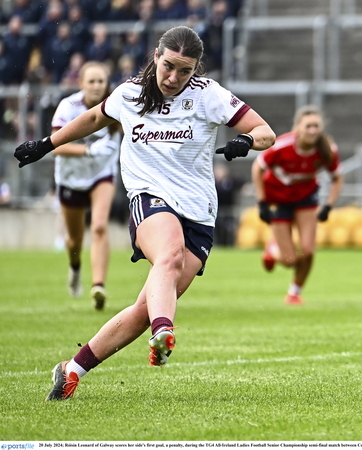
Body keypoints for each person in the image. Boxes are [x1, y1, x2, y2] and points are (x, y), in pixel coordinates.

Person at [14, 25, 275, 401]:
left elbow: (266, 131)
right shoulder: (129, 93)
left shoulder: (209, 95)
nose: (174, 77)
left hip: (199, 211)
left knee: (143, 308)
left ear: (196, 69)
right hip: (150, 197)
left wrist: (246, 141)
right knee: (166, 256)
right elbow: (93, 118)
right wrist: (45, 144)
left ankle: (72, 369)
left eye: (185, 71)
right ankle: (165, 329)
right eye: (169, 66)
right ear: (156, 56)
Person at [252, 105, 343, 305]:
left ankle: (294, 292)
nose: (312, 131)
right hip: (277, 198)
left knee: (308, 251)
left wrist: (328, 205)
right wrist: (261, 202)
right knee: (289, 260)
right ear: (298, 128)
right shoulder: (281, 146)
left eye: (316, 126)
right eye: (308, 126)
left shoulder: (327, 149)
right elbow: (257, 167)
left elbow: (337, 178)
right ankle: (273, 248)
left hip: (305, 198)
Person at [51, 61, 121, 309]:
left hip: (102, 174)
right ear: (81, 83)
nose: (96, 86)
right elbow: (56, 146)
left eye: (101, 81)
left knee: (100, 226)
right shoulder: (68, 107)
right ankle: (75, 267)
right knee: (75, 240)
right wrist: (89, 150)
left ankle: (98, 286)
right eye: (91, 81)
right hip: (71, 178)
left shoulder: (116, 105)